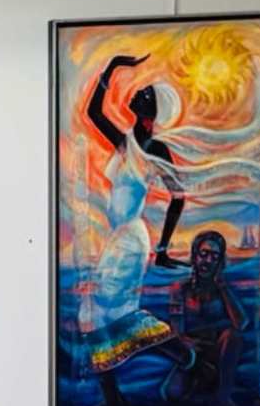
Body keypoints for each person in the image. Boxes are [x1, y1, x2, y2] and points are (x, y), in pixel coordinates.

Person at [81, 52, 191, 268]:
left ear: (151, 117)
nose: (139, 92)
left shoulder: (155, 150)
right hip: (121, 238)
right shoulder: (128, 143)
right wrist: (112, 66)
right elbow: (94, 112)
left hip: (130, 241)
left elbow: (179, 196)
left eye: (146, 95)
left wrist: (162, 250)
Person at [170, 227, 246, 406]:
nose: (208, 261)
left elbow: (241, 323)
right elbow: (176, 331)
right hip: (193, 350)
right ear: (195, 256)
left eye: (214, 257)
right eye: (204, 254)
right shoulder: (180, 288)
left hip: (218, 349)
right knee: (171, 394)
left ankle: (223, 396)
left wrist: (222, 287)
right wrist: (186, 344)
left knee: (233, 336)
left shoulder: (223, 288)